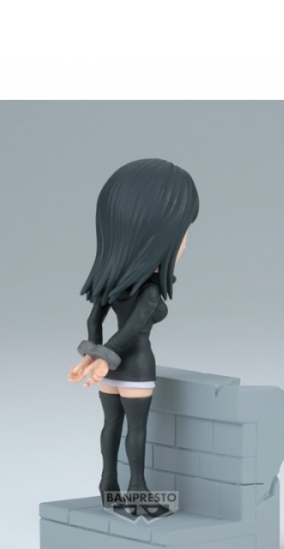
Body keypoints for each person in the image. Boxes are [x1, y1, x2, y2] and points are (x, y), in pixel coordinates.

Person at [68, 158, 199, 515]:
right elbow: (134, 328)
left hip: (111, 370)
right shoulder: (150, 290)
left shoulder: (112, 283)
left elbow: (95, 319)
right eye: (182, 231)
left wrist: (95, 355)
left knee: (111, 425)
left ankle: (108, 485)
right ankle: (137, 491)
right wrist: (101, 357)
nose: (185, 241)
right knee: (136, 430)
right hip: (137, 365)